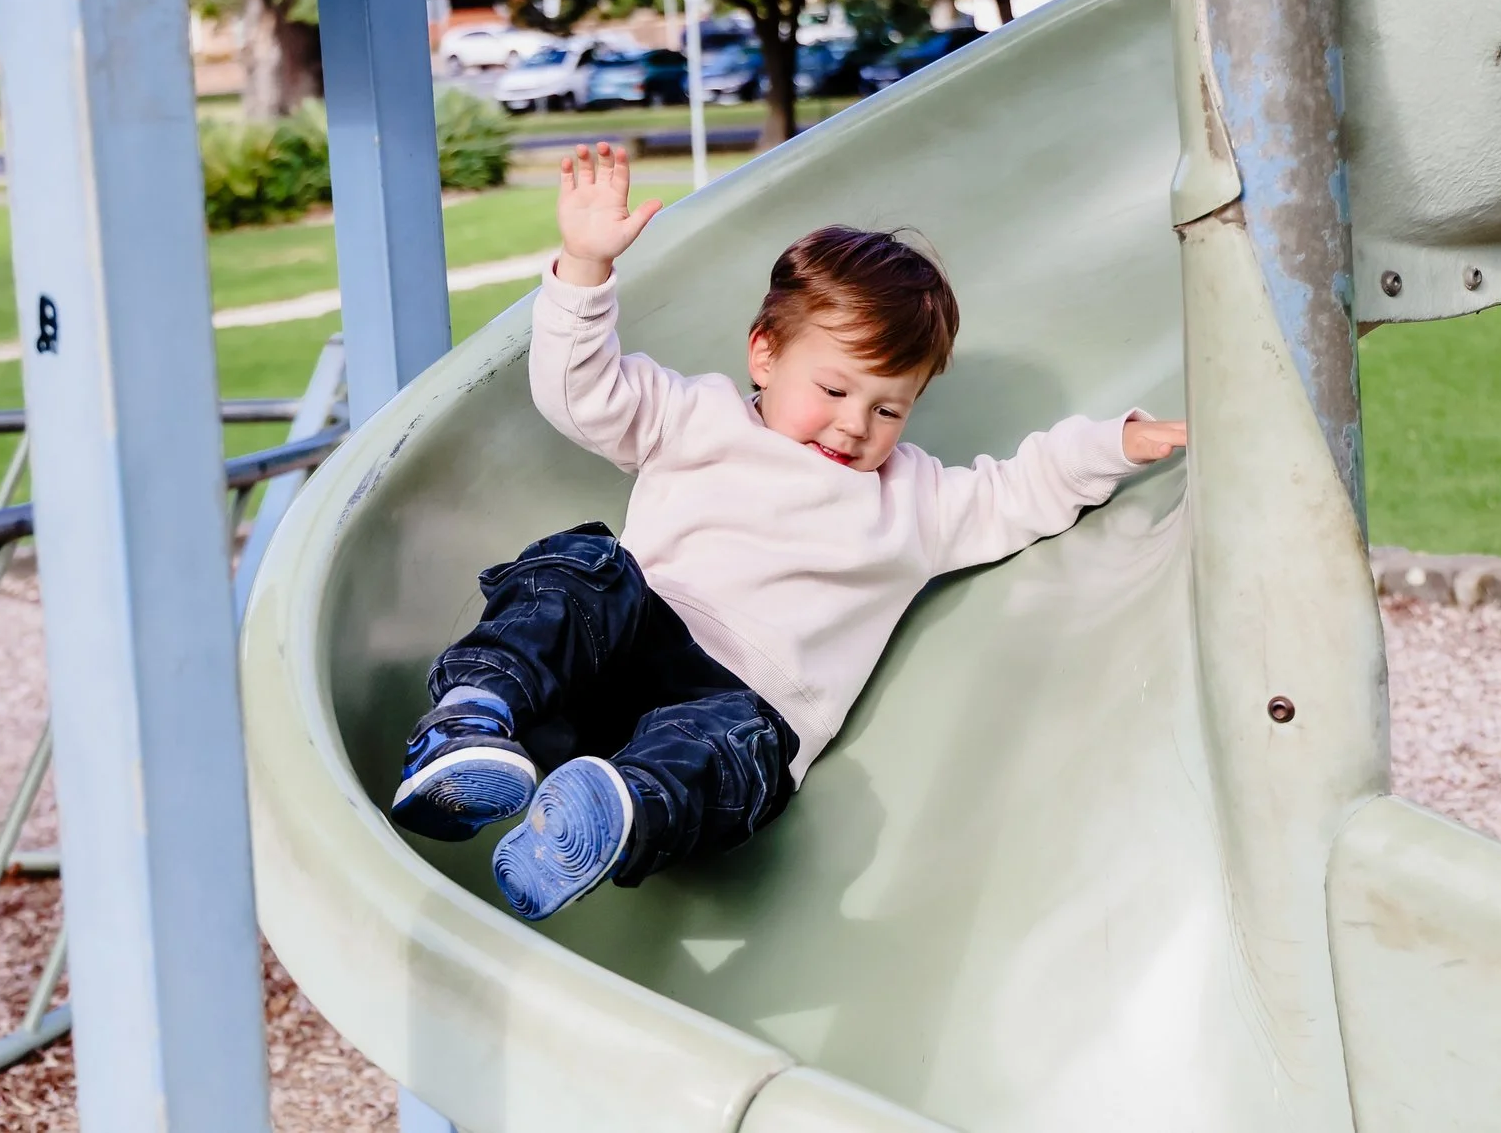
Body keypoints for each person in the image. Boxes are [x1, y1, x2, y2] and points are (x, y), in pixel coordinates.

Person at [389, 143, 1188, 920]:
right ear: (764, 354)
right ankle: (473, 717)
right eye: (835, 388)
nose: (853, 425)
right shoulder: (693, 416)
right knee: (583, 567)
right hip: (625, 645)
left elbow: (1022, 488)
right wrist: (585, 270)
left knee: (735, 753)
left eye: (888, 408)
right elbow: (580, 391)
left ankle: (595, 823)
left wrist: (1117, 443)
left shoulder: (916, 502)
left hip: (741, 698)